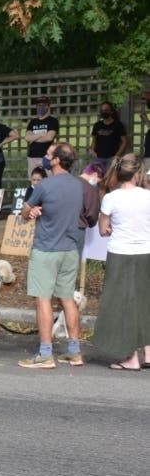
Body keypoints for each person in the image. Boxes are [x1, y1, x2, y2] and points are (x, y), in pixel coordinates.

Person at [19, 142, 85, 368]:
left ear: (56, 160)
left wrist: (32, 211)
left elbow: (24, 213)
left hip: (46, 249)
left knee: (43, 300)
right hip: (70, 249)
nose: (45, 158)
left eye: (48, 154)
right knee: (67, 299)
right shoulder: (78, 185)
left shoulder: (44, 186)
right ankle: (74, 351)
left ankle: (46, 353)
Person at [92, 154, 150, 369]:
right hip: (146, 251)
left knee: (123, 303)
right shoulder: (148, 196)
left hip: (121, 252)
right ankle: (148, 352)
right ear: (138, 173)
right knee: (146, 300)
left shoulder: (111, 198)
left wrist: (111, 227)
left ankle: (130, 357)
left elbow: (103, 229)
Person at [25, 95, 59, 179]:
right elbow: (27, 138)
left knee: (49, 180)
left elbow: (49, 138)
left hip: (47, 156)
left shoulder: (53, 121)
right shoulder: (33, 122)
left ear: (48, 106)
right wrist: (42, 134)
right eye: (39, 105)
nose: (41, 107)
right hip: (32, 156)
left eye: (43, 105)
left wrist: (34, 137)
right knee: (33, 180)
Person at [89, 101, 128, 171]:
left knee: (110, 179)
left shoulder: (118, 125)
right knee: (96, 178)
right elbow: (94, 140)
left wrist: (117, 155)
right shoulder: (97, 125)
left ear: (111, 111)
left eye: (106, 110)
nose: (104, 112)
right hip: (98, 158)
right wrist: (92, 150)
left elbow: (124, 141)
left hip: (112, 158)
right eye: (102, 110)